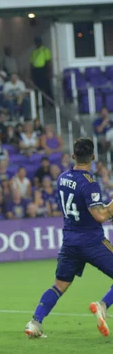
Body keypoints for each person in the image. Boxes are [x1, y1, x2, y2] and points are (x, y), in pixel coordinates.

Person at [25, 138, 113, 339]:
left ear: (73, 156)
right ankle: (103, 304)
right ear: (93, 157)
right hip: (91, 241)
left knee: (59, 285)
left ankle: (35, 322)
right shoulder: (90, 183)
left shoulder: (62, 178)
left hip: (70, 241)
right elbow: (99, 215)